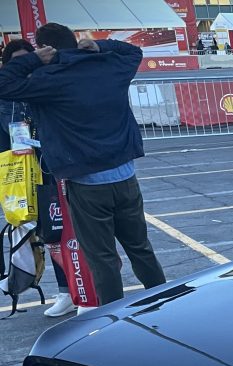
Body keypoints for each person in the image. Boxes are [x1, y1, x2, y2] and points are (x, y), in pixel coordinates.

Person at [0, 23, 166, 306]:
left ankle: (114, 321)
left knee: (102, 259)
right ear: (75, 41)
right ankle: (166, 303)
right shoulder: (108, 66)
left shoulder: (50, 79)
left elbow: (4, 83)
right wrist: (102, 45)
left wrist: (34, 60)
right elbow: (133, 52)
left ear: (44, 48)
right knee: (140, 248)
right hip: (125, 175)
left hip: (86, 182)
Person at [0, 39, 75, 317]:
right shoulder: (5, 97)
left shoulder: (46, 87)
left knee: (73, 231)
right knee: (46, 235)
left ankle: (83, 288)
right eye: (18, 63)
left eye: (28, 60)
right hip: (26, 177)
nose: (24, 68)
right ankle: (66, 291)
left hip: (59, 168)